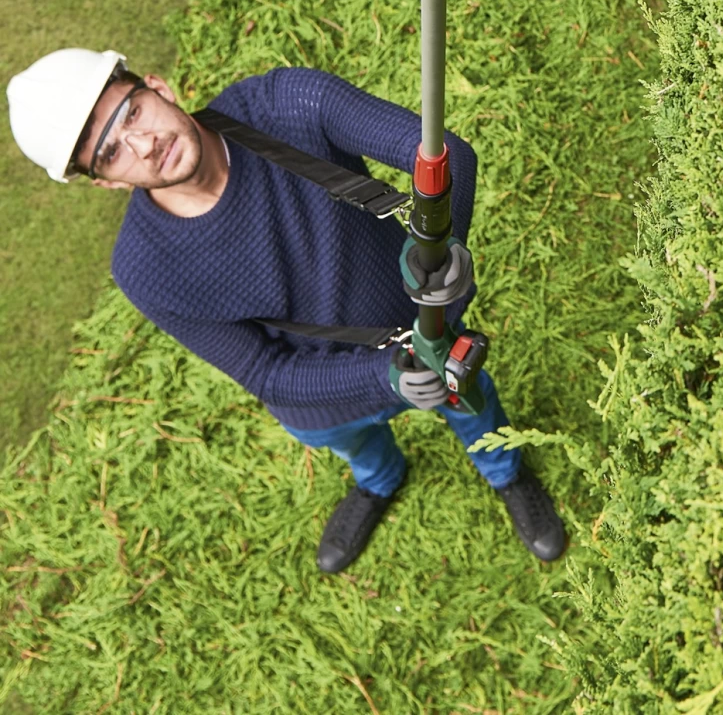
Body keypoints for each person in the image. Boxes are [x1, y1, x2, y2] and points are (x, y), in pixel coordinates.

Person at [6, 48, 565, 573]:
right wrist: (387, 374)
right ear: (106, 181)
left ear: (157, 86)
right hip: (323, 402)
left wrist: (444, 245)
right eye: (111, 152)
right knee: (358, 448)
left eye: (132, 112)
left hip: (429, 329)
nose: (143, 144)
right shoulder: (144, 268)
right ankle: (379, 481)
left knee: (472, 407)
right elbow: (263, 371)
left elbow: (442, 155)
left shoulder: (285, 106)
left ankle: (506, 472)